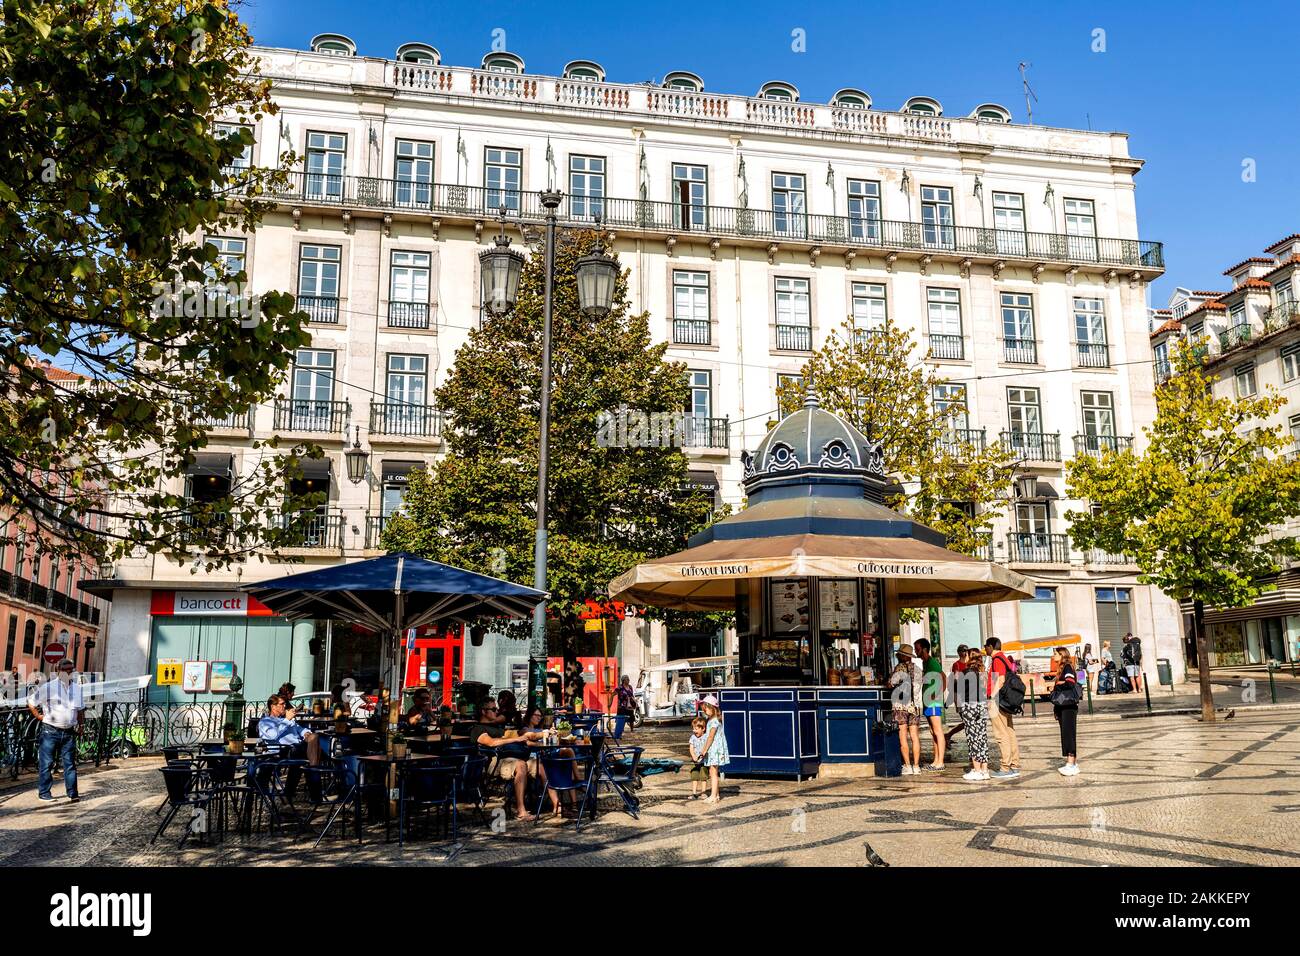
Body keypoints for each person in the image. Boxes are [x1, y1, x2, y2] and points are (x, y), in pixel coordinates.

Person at [470, 702, 550, 820]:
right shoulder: (478, 729)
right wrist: (515, 739)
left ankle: (555, 805)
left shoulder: (499, 728)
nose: (496, 711)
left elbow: (525, 734)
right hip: (497, 761)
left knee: (541, 765)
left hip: (517, 757)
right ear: (483, 711)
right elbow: (491, 743)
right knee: (521, 765)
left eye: (496, 708)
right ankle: (521, 811)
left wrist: (543, 733)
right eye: (493, 709)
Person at [27, 659, 83, 803]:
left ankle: (73, 793)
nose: (69, 673)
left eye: (71, 670)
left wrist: (81, 726)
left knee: (70, 764)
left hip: (69, 732)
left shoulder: (77, 688)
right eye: (66, 670)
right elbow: (32, 702)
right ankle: (44, 793)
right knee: (47, 763)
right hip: (50, 731)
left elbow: (80, 710)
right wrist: (39, 716)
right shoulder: (49, 687)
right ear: (59, 671)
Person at [984, 637, 1020, 779]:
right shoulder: (1003, 658)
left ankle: (1006, 767)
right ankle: (1015, 764)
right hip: (1005, 700)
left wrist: (991, 698)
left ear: (991, 646)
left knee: (1001, 733)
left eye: (986, 646)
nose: (985, 649)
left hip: (997, 701)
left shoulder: (997, 659)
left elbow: (1000, 680)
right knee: (1009, 731)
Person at [888, 643, 923, 775]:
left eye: (899, 654)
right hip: (915, 706)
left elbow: (891, 683)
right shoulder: (918, 669)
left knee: (903, 736)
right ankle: (916, 766)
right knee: (914, 736)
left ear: (902, 656)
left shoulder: (899, 668)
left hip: (900, 706)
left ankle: (907, 766)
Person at [258, 694, 323, 764]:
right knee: (315, 748)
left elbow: (300, 729)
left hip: (298, 746)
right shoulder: (265, 722)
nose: (285, 706)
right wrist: (287, 720)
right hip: (284, 750)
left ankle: (313, 770)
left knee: (315, 737)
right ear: (273, 707)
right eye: (282, 704)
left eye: (285, 704)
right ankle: (313, 772)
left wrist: (306, 733)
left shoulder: (285, 720)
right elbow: (272, 735)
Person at [958, 650, 990, 782]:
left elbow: (959, 691)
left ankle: (977, 770)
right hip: (982, 705)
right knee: (982, 736)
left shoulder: (965, 673)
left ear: (968, 658)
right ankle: (984, 770)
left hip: (969, 706)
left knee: (973, 738)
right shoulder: (983, 674)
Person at [916, 638, 946, 771]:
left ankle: (941, 762)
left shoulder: (932, 662)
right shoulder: (925, 663)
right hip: (928, 701)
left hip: (933, 702)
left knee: (938, 731)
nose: (916, 651)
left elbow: (943, 677)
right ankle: (936, 760)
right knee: (932, 731)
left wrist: (938, 693)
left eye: (917, 648)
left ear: (924, 649)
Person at [1052, 646, 1081, 776]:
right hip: (1062, 706)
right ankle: (1071, 762)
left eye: (1055, 654)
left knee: (1069, 734)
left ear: (1062, 655)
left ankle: (1071, 763)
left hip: (1069, 706)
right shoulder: (1061, 669)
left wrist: (1058, 684)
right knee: (1065, 734)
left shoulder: (1068, 667)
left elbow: (1070, 682)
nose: (1053, 657)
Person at [697, 695, 730, 804]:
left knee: (713, 773)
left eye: (706, 708)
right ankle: (716, 795)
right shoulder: (712, 720)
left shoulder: (714, 721)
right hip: (715, 750)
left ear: (712, 708)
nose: (704, 711)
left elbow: (711, 737)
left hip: (714, 750)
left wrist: (704, 751)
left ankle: (713, 796)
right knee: (714, 772)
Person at [944, 646, 971, 747]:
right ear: (959, 652)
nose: (965, 653)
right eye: (963, 651)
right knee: (967, 721)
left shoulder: (970, 664)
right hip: (960, 695)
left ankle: (949, 735)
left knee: (968, 722)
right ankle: (949, 735)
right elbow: (955, 681)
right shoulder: (957, 665)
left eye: (966, 651)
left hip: (969, 695)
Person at [687, 716, 709, 799]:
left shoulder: (706, 737)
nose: (694, 731)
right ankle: (694, 793)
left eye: (696, 729)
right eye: (693, 728)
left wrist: (703, 755)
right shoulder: (692, 737)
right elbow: (691, 748)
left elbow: (707, 746)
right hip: (695, 761)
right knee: (694, 777)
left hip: (704, 761)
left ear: (703, 729)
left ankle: (703, 793)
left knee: (703, 777)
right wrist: (693, 756)